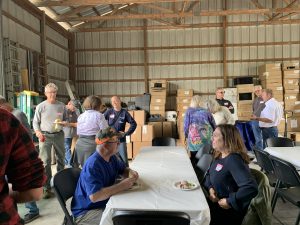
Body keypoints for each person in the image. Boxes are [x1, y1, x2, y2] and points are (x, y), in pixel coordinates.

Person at [71, 127, 139, 225]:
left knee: (130, 211)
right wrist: (122, 185)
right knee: (123, 219)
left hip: (102, 203)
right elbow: (95, 196)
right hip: (87, 212)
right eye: (116, 141)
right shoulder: (93, 165)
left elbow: (123, 169)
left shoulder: (112, 158)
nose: (119, 143)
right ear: (105, 145)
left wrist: (131, 172)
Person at [204, 124, 258, 225]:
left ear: (227, 138)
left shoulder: (234, 159)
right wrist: (211, 189)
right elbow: (208, 174)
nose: (212, 138)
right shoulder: (219, 155)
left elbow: (251, 187)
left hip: (226, 213)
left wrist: (229, 201)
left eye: (215, 135)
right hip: (215, 205)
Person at [0, 108, 46, 225]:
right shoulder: (5, 119)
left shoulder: (15, 116)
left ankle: (33, 210)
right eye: (50, 93)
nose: (52, 95)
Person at [33, 83, 66, 199]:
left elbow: (65, 119)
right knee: (45, 162)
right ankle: (47, 188)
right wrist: (38, 132)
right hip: (45, 136)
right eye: (50, 92)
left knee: (61, 159)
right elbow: (35, 122)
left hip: (59, 135)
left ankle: (61, 184)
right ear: (46, 94)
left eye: (54, 92)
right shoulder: (41, 106)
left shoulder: (61, 106)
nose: (52, 94)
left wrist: (64, 123)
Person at [75, 95, 108, 167]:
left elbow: (78, 132)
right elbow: (105, 132)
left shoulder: (81, 116)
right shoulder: (99, 115)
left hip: (80, 145)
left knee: (84, 167)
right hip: (93, 145)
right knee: (95, 167)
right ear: (98, 105)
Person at [104, 96, 137, 166]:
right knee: (111, 159)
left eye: (115, 101)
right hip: (110, 140)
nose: (114, 103)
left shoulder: (124, 112)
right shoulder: (109, 112)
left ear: (119, 101)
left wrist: (126, 133)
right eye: (112, 101)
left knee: (123, 158)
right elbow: (101, 121)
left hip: (120, 140)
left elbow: (134, 124)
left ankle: (126, 173)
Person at [184, 95, 216, 166]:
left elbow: (186, 125)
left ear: (192, 102)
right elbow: (213, 124)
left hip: (194, 138)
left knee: (194, 157)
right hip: (206, 137)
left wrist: (186, 135)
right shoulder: (206, 111)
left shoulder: (189, 111)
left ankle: (195, 172)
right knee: (206, 156)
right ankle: (205, 171)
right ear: (201, 102)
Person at [61, 100, 79, 167]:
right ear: (69, 104)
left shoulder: (75, 111)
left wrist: (69, 124)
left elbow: (77, 123)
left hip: (71, 133)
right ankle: (70, 164)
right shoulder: (63, 110)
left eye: (75, 108)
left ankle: (66, 162)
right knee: (67, 148)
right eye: (73, 107)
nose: (74, 109)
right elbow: (60, 122)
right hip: (65, 133)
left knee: (67, 148)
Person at [250, 85, 265, 150]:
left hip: (264, 120)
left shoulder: (266, 98)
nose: (257, 92)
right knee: (258, 138)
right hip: (255, 121)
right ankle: (260, 152)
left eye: (258, 90)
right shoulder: (255, 100)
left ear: (262, 90)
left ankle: (266, 152)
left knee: (265, 137)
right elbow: (254, 110)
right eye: (255, 91)